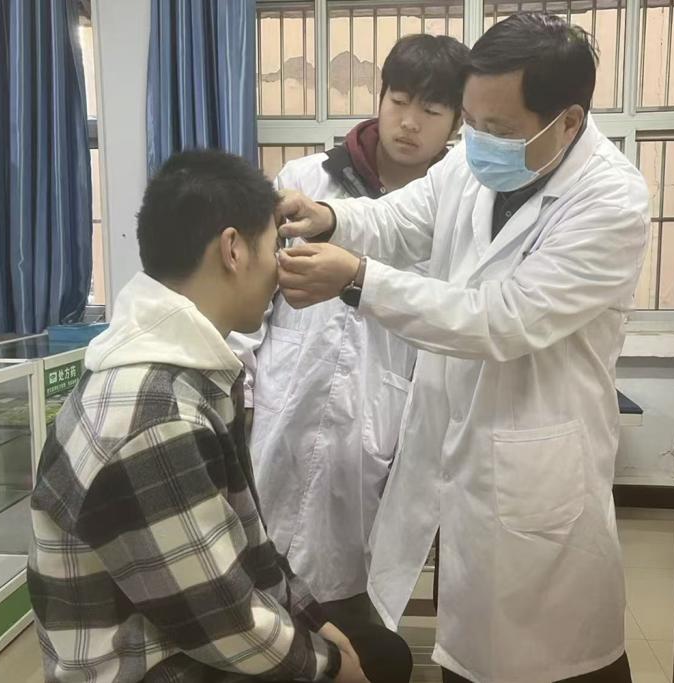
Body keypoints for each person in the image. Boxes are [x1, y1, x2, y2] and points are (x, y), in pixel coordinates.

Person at [273, 13, 649, 683]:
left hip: (538, 465)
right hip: (457, 443)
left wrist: (356, 279)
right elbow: (402, 218)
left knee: (556, 656)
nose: (476, 140)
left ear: (567, 122)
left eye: (497, 128)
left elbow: (500, 320)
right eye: (470, 121)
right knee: (469, 647)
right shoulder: (475, 165)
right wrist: (331, 217)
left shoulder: (610, 200)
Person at [26, 150, 411, 683]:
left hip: (183, 632)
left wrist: (316, 622)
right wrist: (330, 666)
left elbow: (250, 545)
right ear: (233, 250)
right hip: (152, 665)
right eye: (275, 249)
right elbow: (227, 623)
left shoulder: (190, 371)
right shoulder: (155, 415)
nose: (280, 269)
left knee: (380, 651)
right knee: (366, 664)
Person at [230, 34, 470, 626]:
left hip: (378, 408)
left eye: (431, 110)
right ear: (379, 97)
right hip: (288, 391)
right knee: (259, 555)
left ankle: (340, 649)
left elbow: (448, 317)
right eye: (399, 101)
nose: (409, 122)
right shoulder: (306, 180)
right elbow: (252, 290)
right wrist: (242, 384)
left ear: (456, 123)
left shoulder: (454, 208)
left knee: (351, 574)